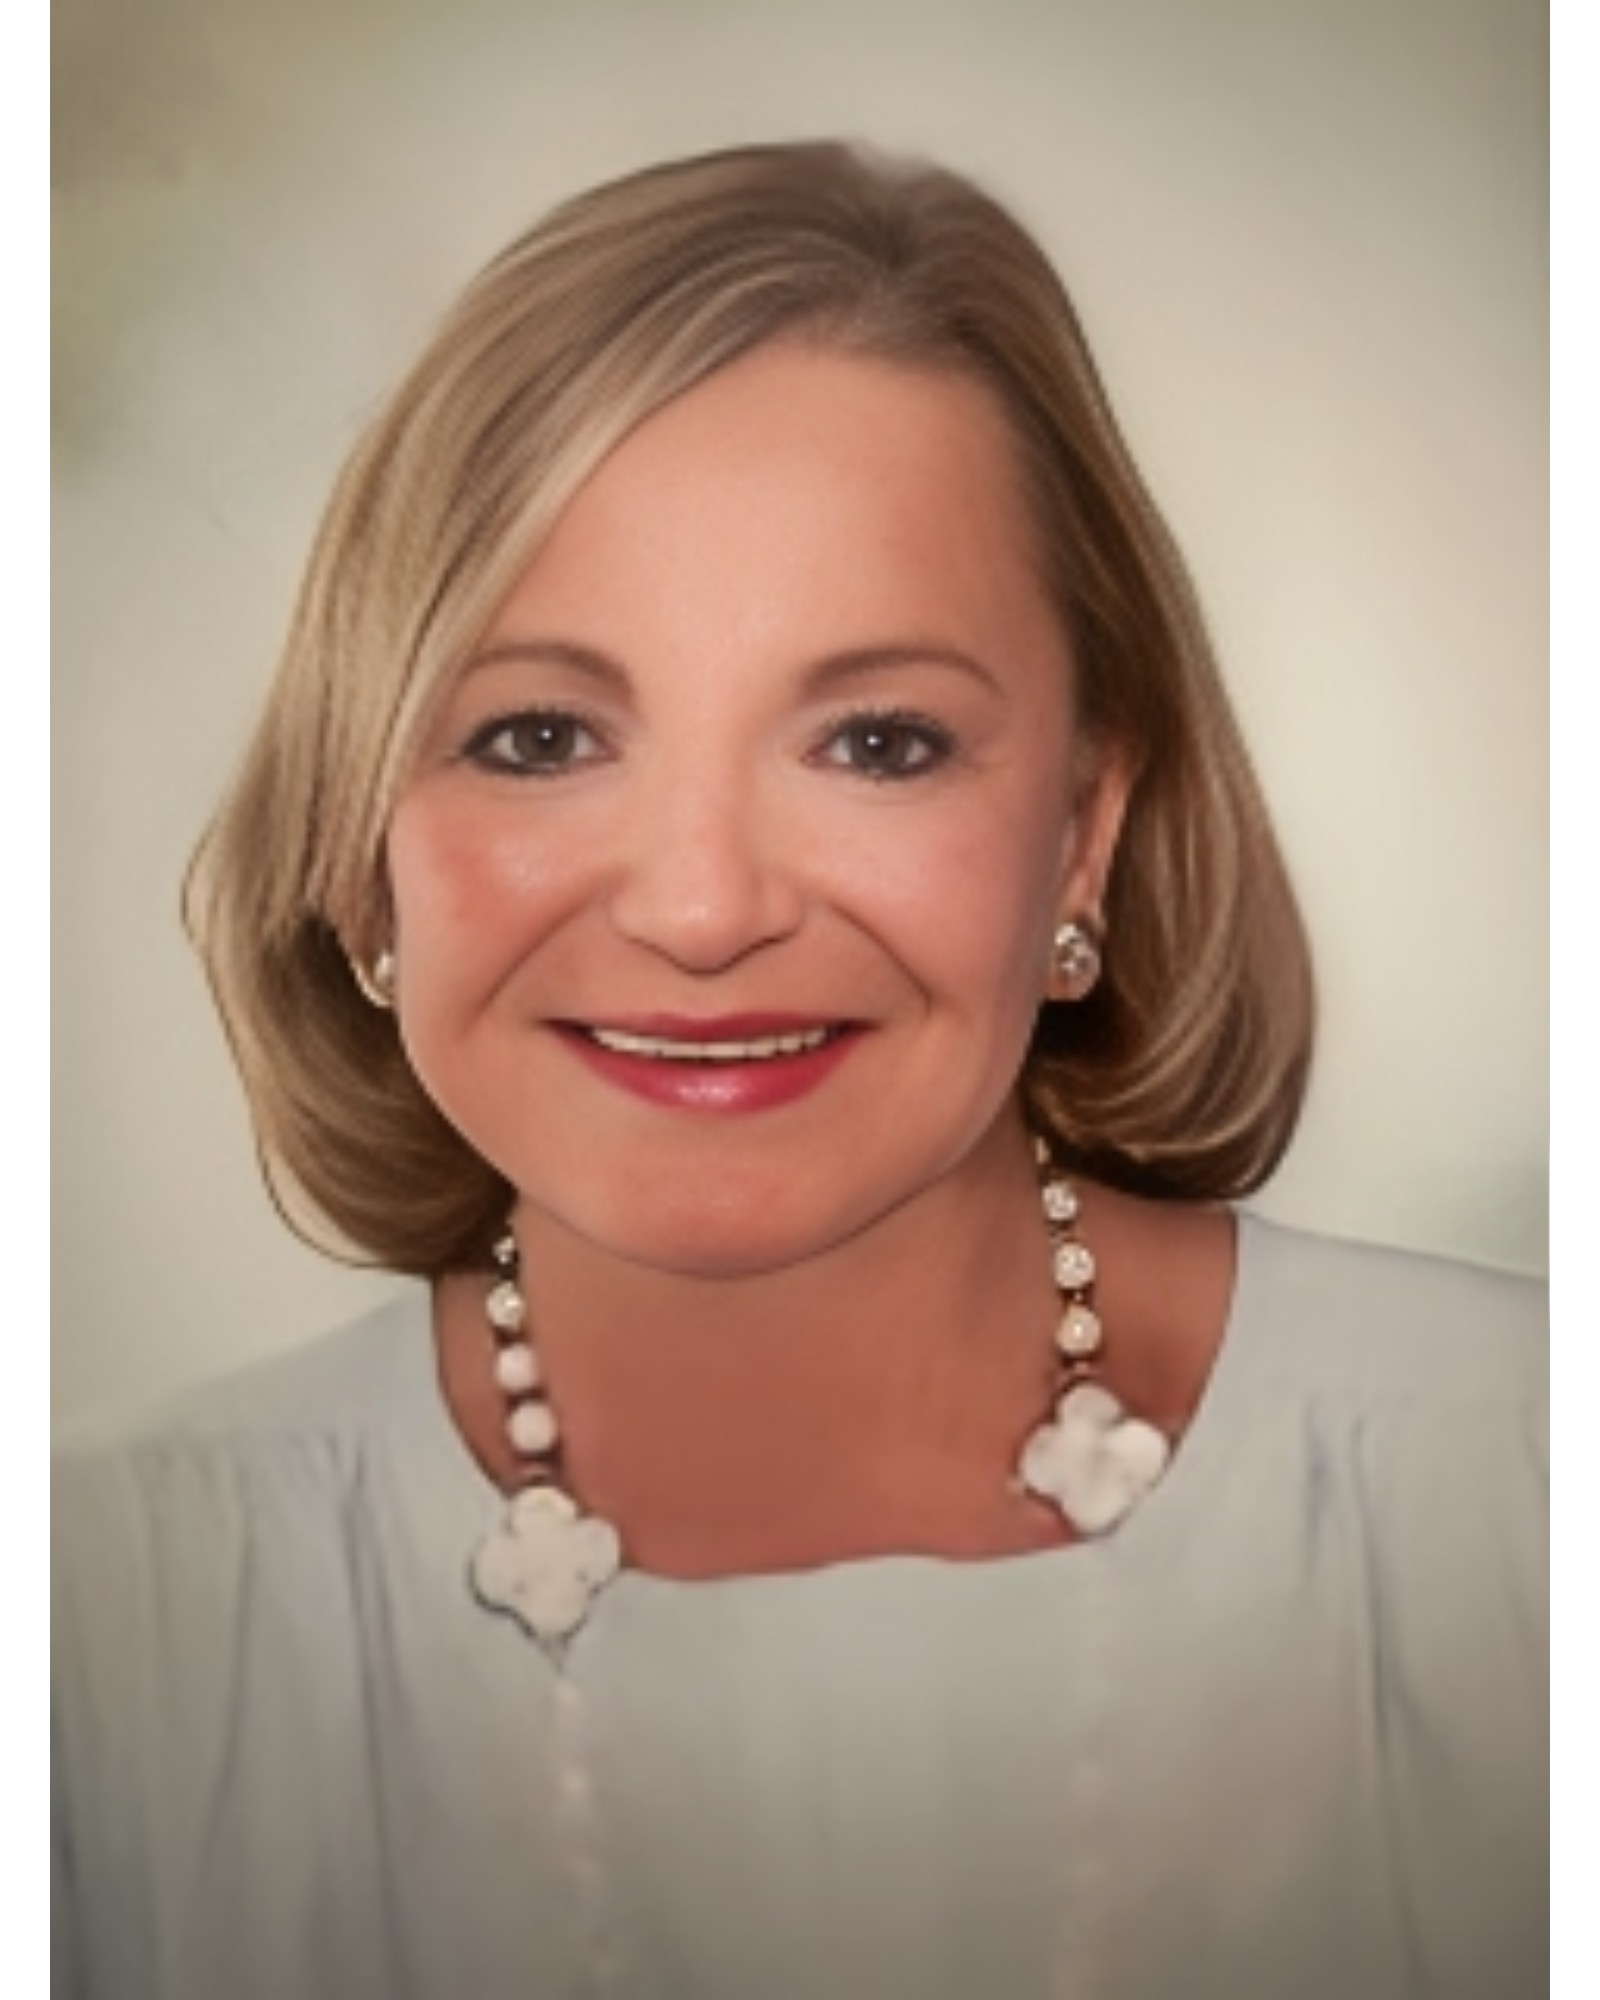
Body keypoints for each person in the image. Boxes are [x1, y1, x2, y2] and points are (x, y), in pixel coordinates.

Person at [51, 138, 1548, 2000]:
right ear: (367, 846)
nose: (699, 910)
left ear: (1082, 834)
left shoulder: (1510, 1506)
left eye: (879, 742)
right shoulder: (103, 1646)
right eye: (535, 733)